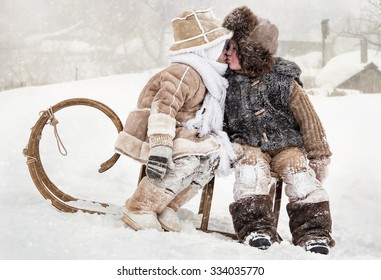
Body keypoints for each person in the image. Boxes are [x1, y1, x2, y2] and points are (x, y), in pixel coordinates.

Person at [221, 6, 335, 254]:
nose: (226, 53)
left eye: (232, 48)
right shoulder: (226, 82)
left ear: (250, 52)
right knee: (250, 173)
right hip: (248, 145)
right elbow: (218, 117)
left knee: (301, 177)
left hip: (287, 146)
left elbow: (309, 119)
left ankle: (314, 233)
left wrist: (318, 155)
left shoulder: (283, 80)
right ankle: (255, 229)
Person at [114, 8, 235, 232]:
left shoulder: (208, 75)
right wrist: (160, 145)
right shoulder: (185, 72)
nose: (226, 53)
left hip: (184, 130)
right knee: (186, 160)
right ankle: (140, 207)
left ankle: (169, 204)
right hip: (160, 131)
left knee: (210, 159)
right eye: (222, 47)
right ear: (207, 49)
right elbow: (163, 107)